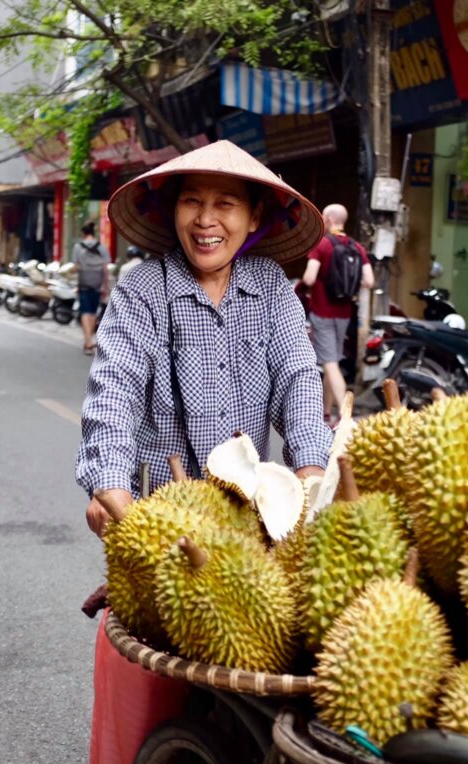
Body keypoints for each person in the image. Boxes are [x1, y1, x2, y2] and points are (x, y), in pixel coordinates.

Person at [77, 139, 332, 537]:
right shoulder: (142, 289)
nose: (205, 220)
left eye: (226, 204)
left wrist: (312, 474)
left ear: (253, 216)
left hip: (248, 517)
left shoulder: (271, 287)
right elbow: (113, 392)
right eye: (192, 201)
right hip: (157, 518)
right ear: (173, 209)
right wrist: (110, 485)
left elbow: (297, 380)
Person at [300, 203, 376, 425]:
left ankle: (345, 414)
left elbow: (308, 278)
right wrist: (347, 284)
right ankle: (326, 413)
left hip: (322, 311)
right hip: (344, 313)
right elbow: (369, 281)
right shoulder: (356, 246)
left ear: (330, 220)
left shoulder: (322, 245)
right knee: (330, 359)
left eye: (323, 217)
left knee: (330, 362)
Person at [72, 222, 111, 355]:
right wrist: (105, 286)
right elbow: (106, 270)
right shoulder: (102, 247)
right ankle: (89, 340)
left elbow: (76, 267)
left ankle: (88, 341)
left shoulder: (78, 247)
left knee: (85, 312)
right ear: (93, 234)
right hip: (97, 283)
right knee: (93, 312)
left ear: (83, 234)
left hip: (83, 283)